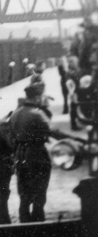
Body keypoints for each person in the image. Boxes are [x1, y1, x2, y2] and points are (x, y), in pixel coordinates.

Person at [8, 82, 76, 223]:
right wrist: (74, 138)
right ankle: (38, 227)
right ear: (37, 97)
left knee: (24, 194)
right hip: (36, 155)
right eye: (42, 96)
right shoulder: (37, 114)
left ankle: (24, 226)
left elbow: (12, 136)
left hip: (20, 155)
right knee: (39, 193)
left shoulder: (15, 114)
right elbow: (53, 132)